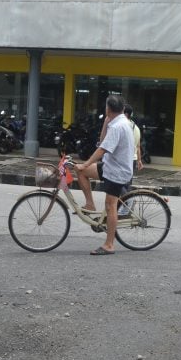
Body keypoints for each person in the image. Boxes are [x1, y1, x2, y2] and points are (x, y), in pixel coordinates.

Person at [74, 95, 135, 255]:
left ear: (108, 109)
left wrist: (86, 162)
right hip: (110, 166)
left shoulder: (118, 126)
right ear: (122, 109)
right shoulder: (119, 122)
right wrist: (105, 123)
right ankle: (90, 205)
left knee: (110, 206)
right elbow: (103, 142)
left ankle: (109, 245)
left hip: (118, 171)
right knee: (80, 171)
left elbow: (102, 150)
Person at [122, 104, 144, 173]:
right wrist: (139, 160)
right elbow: (138, 146)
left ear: (125, 114)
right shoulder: (137, 128)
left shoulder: (121, 126)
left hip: (122, 159)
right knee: (127, 182)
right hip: (132, 160)